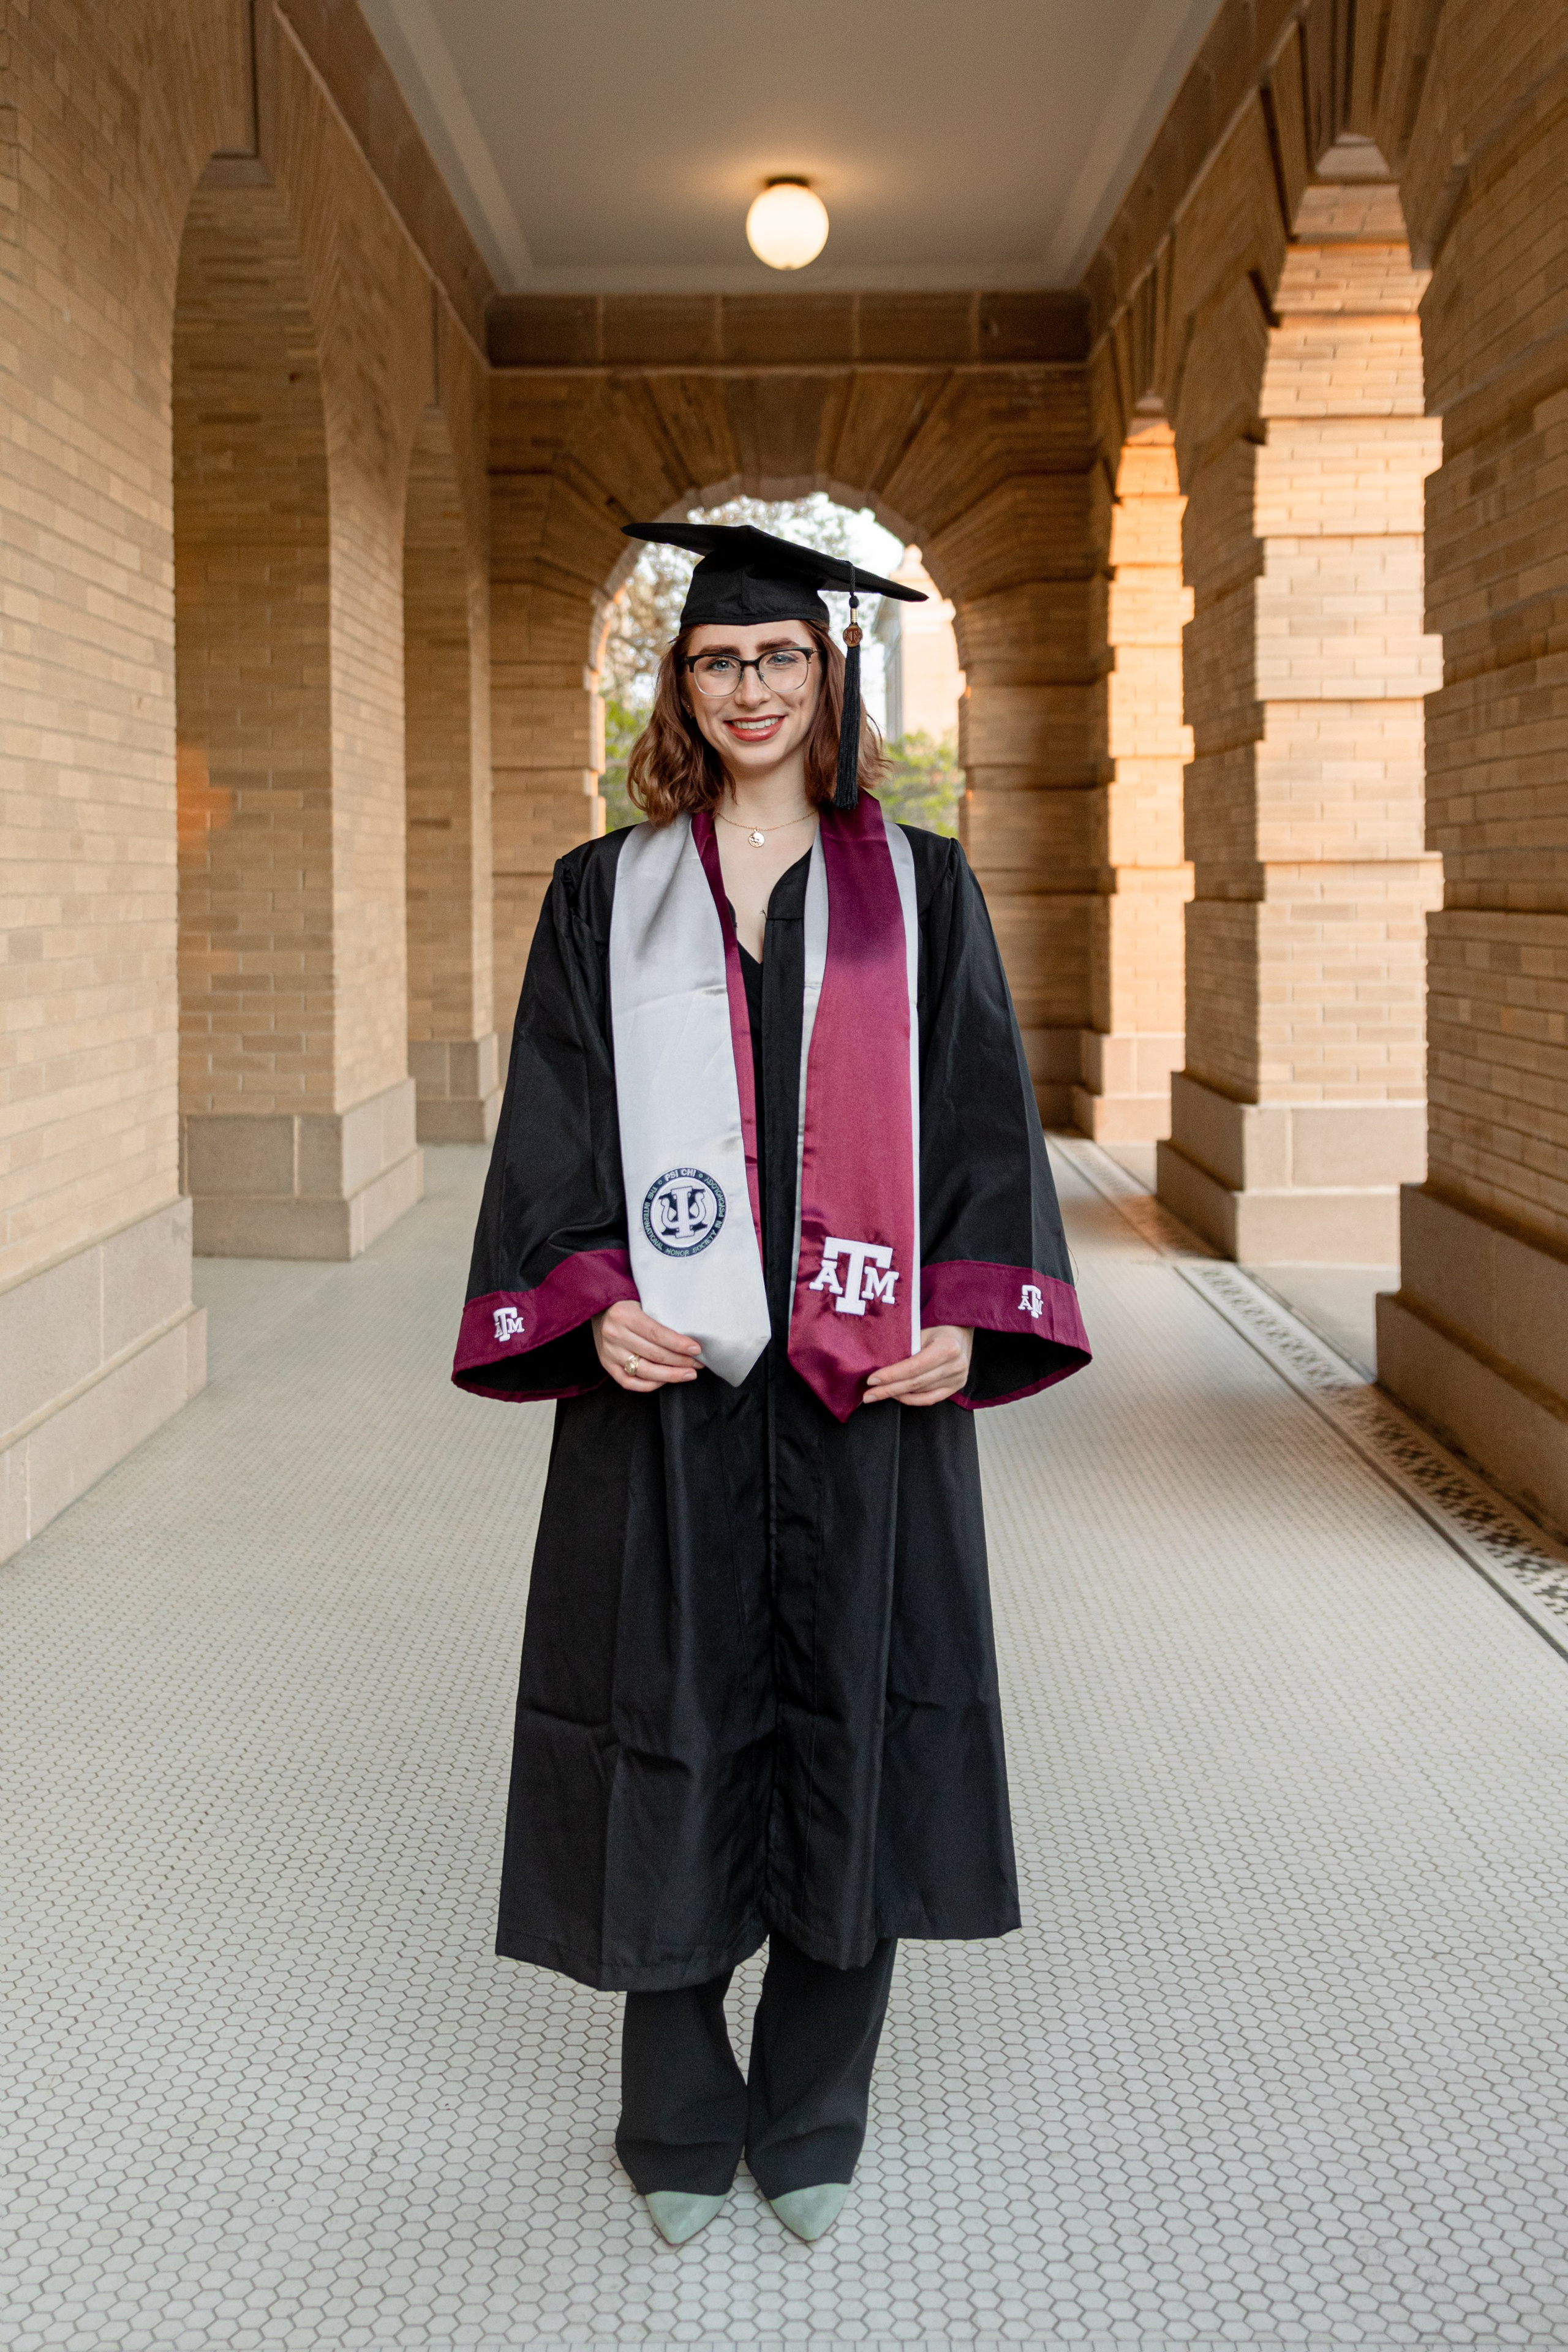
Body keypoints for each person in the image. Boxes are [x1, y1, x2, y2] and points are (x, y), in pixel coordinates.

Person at [453, 523, 1090, 2247]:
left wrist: (967, 1314)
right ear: (684, 684)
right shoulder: (605, 893)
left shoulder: (922, 890)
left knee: (858, 1712)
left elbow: (980, 1118)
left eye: (781, 659)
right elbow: (554, 1126)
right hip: (671, 1389)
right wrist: (591, 1300)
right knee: (662, 1710)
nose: (750, 688)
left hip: (862, 1388)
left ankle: (815, 2104)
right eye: (720, 661)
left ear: (830, 677)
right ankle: (674, 2108)